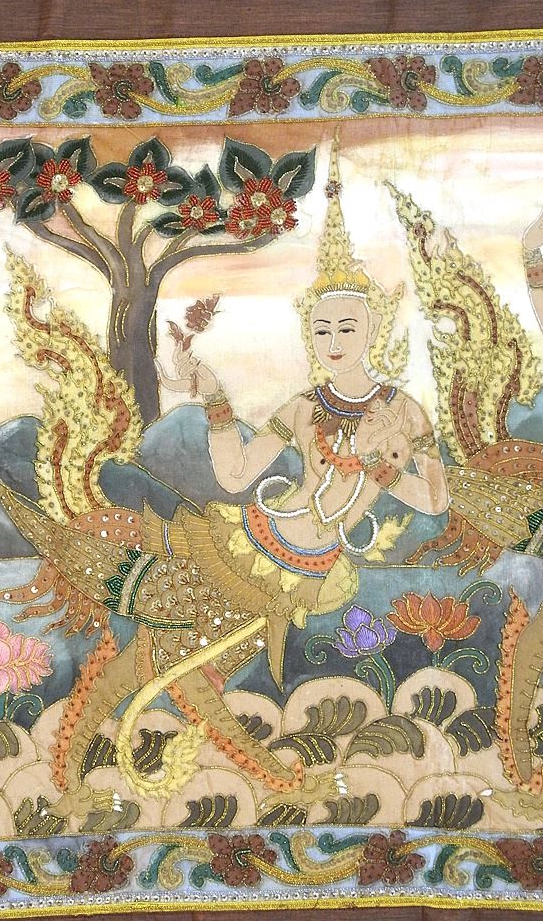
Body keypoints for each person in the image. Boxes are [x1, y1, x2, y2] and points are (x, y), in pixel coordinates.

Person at [157, 140, 449, 687]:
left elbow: (435, 501)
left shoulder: (404, 412)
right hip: (261, 538)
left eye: (346, 329)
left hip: (320, 567)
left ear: (373, 330)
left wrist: (384, 471)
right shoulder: (303, 407)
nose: (333, 343)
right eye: (322, 330)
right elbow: (236, 475)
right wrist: (216, 400)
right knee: (193, 655)